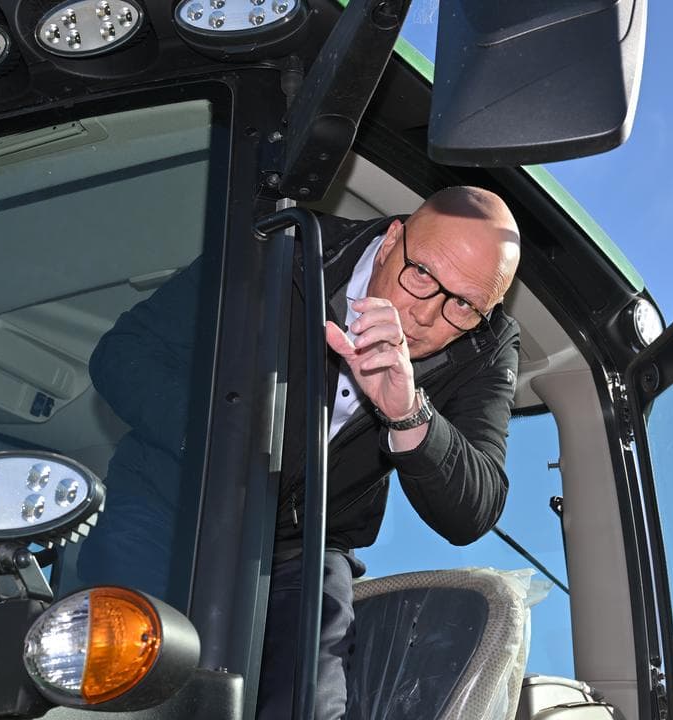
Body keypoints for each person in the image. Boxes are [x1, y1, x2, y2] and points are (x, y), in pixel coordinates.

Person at [78, 186, 522, 719]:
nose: (428, 315)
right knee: (127, 677)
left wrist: (408, 413)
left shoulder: (486, 347)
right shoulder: (279, 247)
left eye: (465, 306)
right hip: (171, 499)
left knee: (309, 703)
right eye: (422, 274)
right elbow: (125, 354)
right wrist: (234, 444)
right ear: (390, 241)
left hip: (306, 549)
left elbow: (475, 508)